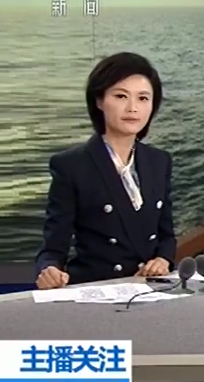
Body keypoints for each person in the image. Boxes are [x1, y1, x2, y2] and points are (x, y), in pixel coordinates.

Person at [35, 52, 177, 289]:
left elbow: (166, 235)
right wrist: (49, 270)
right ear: (99, 101)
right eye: (121, 96)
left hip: (151, 288)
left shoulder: (159, 161)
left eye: (143, 98)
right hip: (98, 290)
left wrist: (163, 260)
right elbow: (53, 249)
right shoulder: (71, 165)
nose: (133, 108)